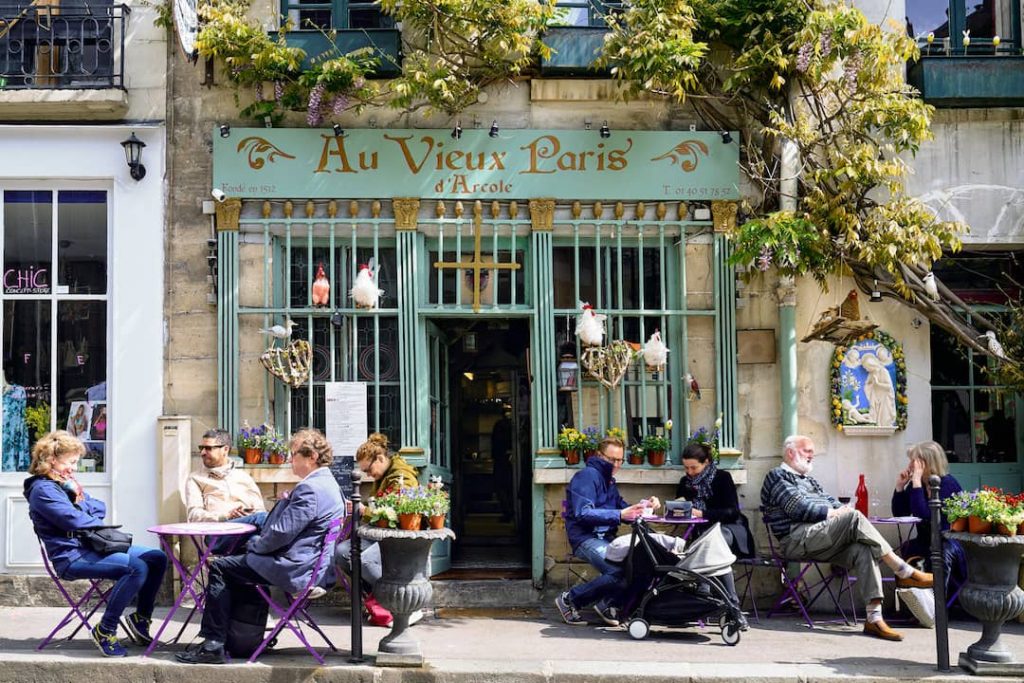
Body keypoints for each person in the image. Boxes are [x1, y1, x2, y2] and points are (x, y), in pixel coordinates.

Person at [177, 428, 345, 665]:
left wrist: (254, 545)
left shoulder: (310, 489)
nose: (289, 459)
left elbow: (279, 534)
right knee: (236, 562)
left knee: (221, 567)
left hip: (295, 568)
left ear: (312, 457)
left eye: (294, 454)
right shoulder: (329, 484)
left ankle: (212, 645)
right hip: (308, 563)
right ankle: (241, 638)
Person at [761, 434, 934, 641]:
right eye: (807, 451)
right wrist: (835, 513)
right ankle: (903, 570)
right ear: (790, 453)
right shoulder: (777, 476)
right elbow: (799, 509)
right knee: (854, 516)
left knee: (864, 549)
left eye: (812, 452)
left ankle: (874, 618)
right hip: (796, 539)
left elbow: (833, 502)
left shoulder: (810, 480)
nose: (812, 455)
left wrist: (838, 511)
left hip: (821, 537)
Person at [25, 430, 167, 657]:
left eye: (76, 463)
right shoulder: (42, 490)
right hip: (70, 557)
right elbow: (73, 520)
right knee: (135, 567)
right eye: (70, 462)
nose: (74, 468)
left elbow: (99, 507)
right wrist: (81, 507)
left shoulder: (65, 484)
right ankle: (106, 629)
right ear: (52, 460)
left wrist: (79, 505)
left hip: (90, 547)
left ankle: (140, 619)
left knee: (157, 558)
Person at [555, 436, 659, 627]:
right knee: (619, 570)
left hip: (606, 538)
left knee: (639, 563)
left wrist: (645, 505)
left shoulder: (608, 479)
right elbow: (582, 513)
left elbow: (622, 506)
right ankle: (570, 600)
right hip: (585, 538)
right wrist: (620, 514)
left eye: (620, 460)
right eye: (612, 459)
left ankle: (608, 603)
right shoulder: (587, 476)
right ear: (599, 455)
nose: (617, 464)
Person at [334, 432, 420, 628]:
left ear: (380, 458)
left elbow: (397, 514)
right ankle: (378, 600)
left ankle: (402, 605)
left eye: (368, 469)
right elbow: (379, 505)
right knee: (341, 553)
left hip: (397, 537)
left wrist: (364, 510)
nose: (367, 474)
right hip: (379, 533)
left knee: (364, 561)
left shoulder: (402, 477)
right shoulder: (383, 477)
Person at [676, 442, 752, 628]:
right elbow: (680, 507)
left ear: (707, 462)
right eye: (686, 468)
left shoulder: (722, 478)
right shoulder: (684, 483)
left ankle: (707, 590)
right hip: (700, 538)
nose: (690, 472)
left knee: (714, 543)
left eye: (694, 467)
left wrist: (703, 514)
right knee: (709, 546)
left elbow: (732, 512)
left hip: (730, 530)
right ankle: (732, 610)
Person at [891, 440, 965, 590]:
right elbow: (901, 513)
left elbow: (925, 515)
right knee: (900, 553)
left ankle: (938, 606)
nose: (911, 465)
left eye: (915, 461)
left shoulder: (948, 484)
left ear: (928, 463)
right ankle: (912, 604)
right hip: (925, 541)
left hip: (948, 542)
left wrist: (917, 482)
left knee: (939, 554)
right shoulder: (916, 485)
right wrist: (900, 487)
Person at [186, 428, 268, 553]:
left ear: (225, 449)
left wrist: (246, 514)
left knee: (256, 540)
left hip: (246, 533)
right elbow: (193, 516)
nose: (202, 452)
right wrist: (225, 516)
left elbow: (259, 509)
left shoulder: (244, 478)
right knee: (263, 518)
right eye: (201, 447)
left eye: (208, 448)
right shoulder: (196, 479)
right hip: (217, 536)